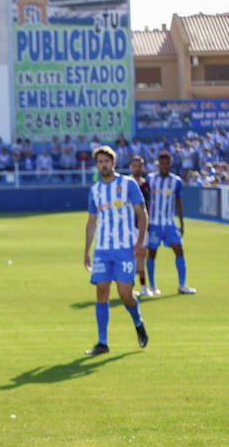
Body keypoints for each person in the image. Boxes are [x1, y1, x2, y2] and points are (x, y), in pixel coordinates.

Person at [83, 145, 149, 356]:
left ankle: (138, 321)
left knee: (125, 294)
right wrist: (87, 250)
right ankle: (102, 342)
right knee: (101, 289)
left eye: (106, 161)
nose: (103, 165)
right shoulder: (95, 191)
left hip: (124, 248)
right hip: (103, 249)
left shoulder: (128, 184)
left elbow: (142, 213)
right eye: (100, 162)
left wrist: (139, 242)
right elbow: (91, 221)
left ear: (113, 162)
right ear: (97, 165)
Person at [144, 150, 195, 297]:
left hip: (169, 223)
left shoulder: (176, 181)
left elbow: (179, 202)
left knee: (179, 249)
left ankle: (182, 284)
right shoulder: (150, 179)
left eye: (167, 163)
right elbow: (145, 201)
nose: (164, 166)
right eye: (162, 163)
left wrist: (182, 222)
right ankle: (152, 286)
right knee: (152, 253)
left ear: (171, 164)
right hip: (153, 223)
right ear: (158, 164)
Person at [127, 156, 152, 294]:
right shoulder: (126, 184)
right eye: (134, 165)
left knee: (142, 255)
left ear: (142, 167)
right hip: (129, 227)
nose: (137, 168)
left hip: (142, 226)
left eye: (139, 165)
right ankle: (129, 288)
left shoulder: (146, 184)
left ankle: (143, 287)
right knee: (129, 257)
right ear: (131, 167)